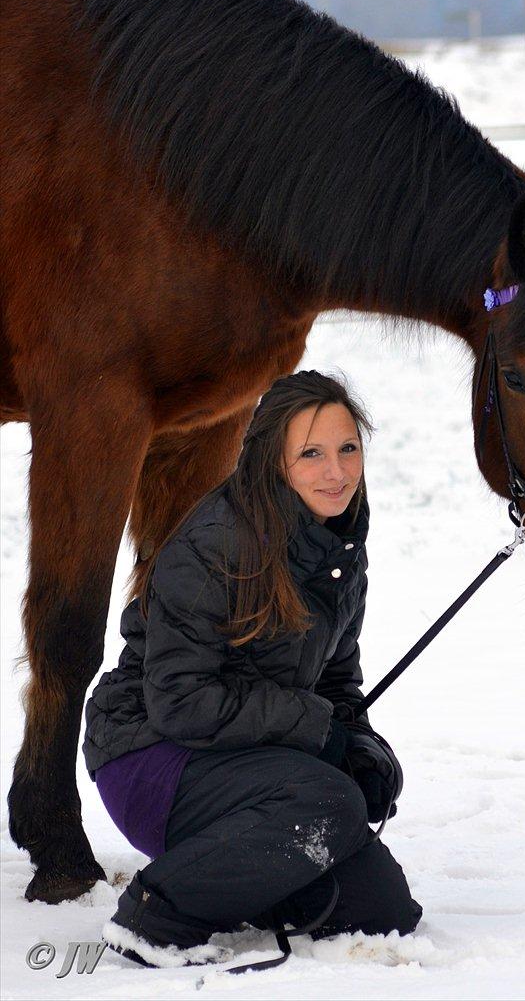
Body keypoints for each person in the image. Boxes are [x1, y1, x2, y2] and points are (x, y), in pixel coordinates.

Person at [83, 370, 422, 969]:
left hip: (248, 758)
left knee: (382, 909)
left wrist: (358, 746)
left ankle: (234, 879)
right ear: (273, 461)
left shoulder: (339, 548)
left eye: (348, 449)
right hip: (152, 756)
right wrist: (314, 729)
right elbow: (180, 702)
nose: (337, 472)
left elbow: (335, 682)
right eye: (311, 454)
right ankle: (156, 917)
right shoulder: (216, 544)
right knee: (328, 803)